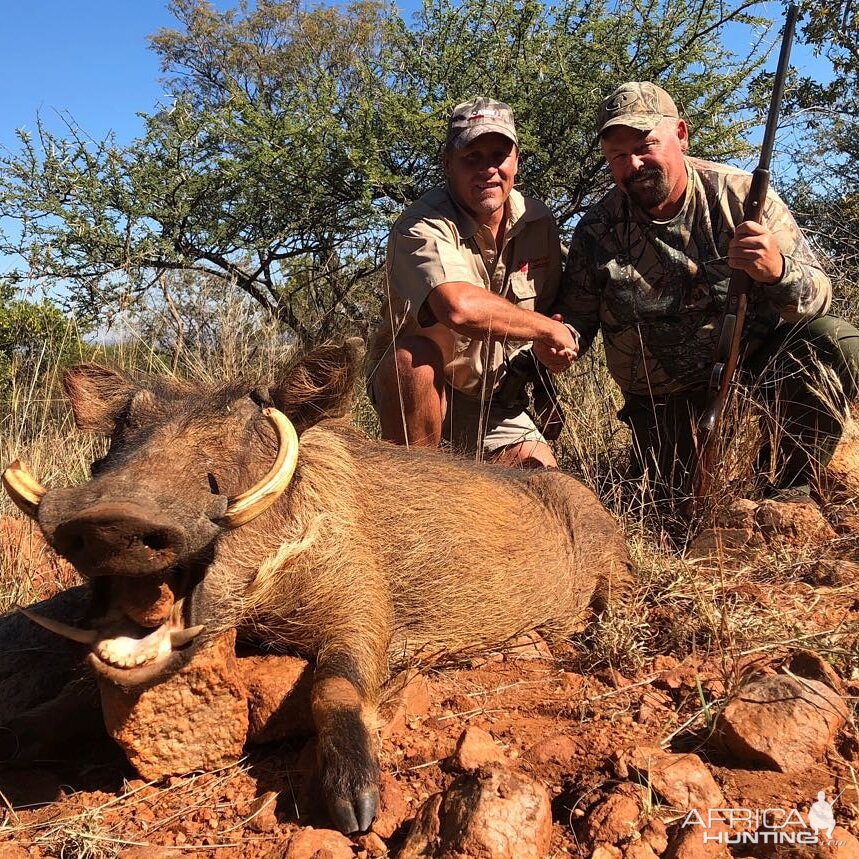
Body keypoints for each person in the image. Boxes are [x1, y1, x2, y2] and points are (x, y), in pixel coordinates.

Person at [560, 81, 859, 500]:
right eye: (617, 156)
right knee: (673, 501)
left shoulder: (742, 197)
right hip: (662, 399)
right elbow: (578, 317)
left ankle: (791, 488)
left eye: (646, 146)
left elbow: (819, 297)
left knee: (835, 341)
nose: (633, 164)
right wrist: (564, 340)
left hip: (752, 373)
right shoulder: (596, 229)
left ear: (681, 134)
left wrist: (777, 271)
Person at [366, 97, 577, 468]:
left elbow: (551, 311)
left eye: (499, 155)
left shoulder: (538, 222)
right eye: (472, 158)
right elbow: (459, 308)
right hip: (425, 397)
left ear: (517, 161)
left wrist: (545, 382)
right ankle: (416, 486)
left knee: (546, 484)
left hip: (493, 403)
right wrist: (545, 332)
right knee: (413, 360)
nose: (488, 170)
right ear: (448, 164)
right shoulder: (420, 226)